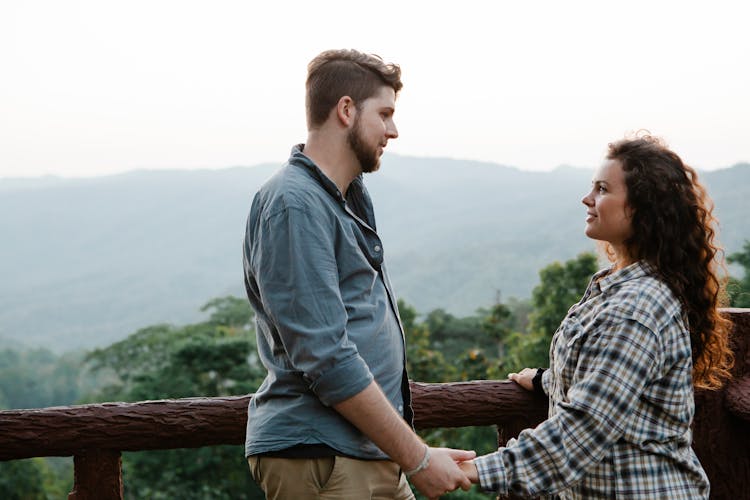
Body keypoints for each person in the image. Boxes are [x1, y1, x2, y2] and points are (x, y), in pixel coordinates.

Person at [242, 49, 474, 500]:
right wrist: (419, 458)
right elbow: (326, 357)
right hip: (323, 459)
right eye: (384, 113)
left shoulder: (344, 196)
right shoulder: (295, 204)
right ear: (346, 110)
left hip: (366, 454)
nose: (393, 130)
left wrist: (408, 452)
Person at [458, 134, 734, 498]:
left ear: (643, 207)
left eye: (603, 189)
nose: (587, 199)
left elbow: (583, 431)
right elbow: (616, 385)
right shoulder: (623, 287)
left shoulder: (637, 308)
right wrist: (549, 382)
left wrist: (470, 470)